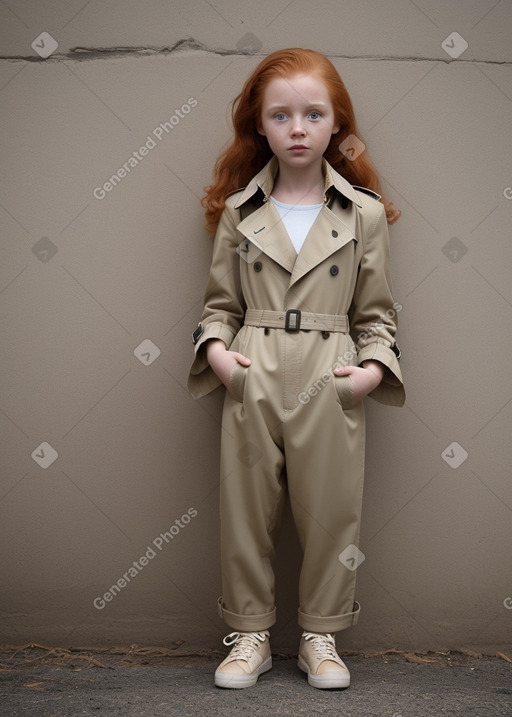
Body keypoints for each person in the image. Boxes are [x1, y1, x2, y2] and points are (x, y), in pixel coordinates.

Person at [188, 47, 405, 690]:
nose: (299, 128)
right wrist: (222, 359)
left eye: (314, 114)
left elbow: (379, 314)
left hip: (330, 369)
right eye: (280, 115)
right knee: (245, 507)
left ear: (337, 122)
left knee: (332, 509)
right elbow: (218, 307)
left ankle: (322, 635)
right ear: (260, 125)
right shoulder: (240, 212)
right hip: (253, 366)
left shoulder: (361, 213)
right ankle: (249, 632)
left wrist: (369, 371)